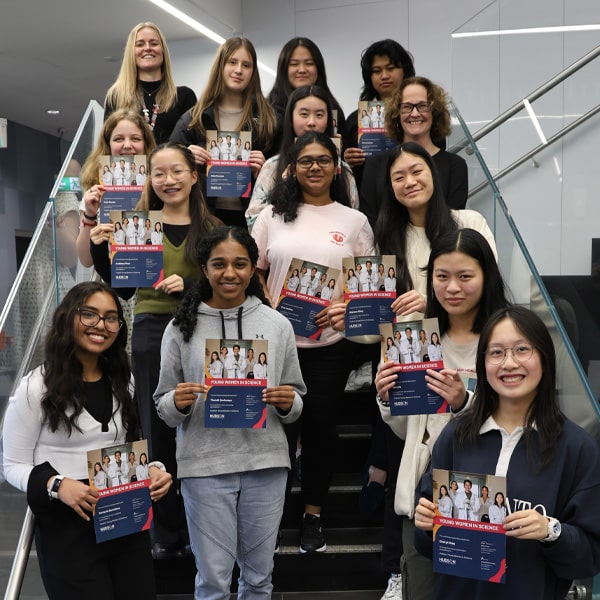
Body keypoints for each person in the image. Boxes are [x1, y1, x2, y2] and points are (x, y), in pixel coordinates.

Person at [154, 225, 305, 598]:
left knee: (258, 579)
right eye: (218, 264)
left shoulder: (278, 325)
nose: (230, 273)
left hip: (266, 465)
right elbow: (162, 404)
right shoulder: (180, 328)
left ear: (254, 268)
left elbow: (298, 399)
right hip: (204, 467)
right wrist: (178, 401)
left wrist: (288, 402)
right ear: (204, 268)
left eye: (240, 264)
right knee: (213, 581)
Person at [89, 142, 221, 559]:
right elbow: (123, 288)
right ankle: (164, 532)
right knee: (156, 429)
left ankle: (203, 526)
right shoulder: (138, 224)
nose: (168, 180)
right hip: (149, 332)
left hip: (201, 330)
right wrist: (99, 246)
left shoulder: (214, 228)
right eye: (159, 173)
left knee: (202, 423)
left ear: (194, 175)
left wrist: (195, 289)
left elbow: (235, 286)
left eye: (177, 172)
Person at [415, 306, 600, 599]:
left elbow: (590, 556)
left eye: (522, 349)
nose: (509, 363)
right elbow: (427, 546)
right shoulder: (456, 436)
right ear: (483, 363)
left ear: (544, 358)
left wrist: (550, 531)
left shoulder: (576, 448)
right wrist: (426, 525)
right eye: (497, 353)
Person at [2, 281, 172, 599]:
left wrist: (154, 470)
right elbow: (10, 465)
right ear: (68, 317)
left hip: (124, 520)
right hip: (68, 527)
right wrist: (56, 484)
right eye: (89, 314)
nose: (100, 325)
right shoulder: (35, 387)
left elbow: (129, 447)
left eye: (110, 318)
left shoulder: (125, 381)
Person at [252, 132, 377, 553]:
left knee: (321, 432)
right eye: (306, 161)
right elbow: (251, 267)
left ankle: (312, 517)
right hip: (276, 347)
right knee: (274, 435)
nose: (315, 167)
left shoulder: (354, 221)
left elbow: (369, 288)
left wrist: (345, 305)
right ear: (291, 168)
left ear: (336, 167)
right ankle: (269, 520)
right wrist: (266, 301)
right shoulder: (271, 215)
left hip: (329, 347)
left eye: (324, 160)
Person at [371, 227, 509, 600]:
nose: (452, 288)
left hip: (489, 494)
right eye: (442, 277)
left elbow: (523, 418)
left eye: (465, 276)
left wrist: (465, 402)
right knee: (423, 588)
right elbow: (408, 430)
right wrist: (387, 398)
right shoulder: (415, 337)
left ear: (486, 276)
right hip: (424, 497)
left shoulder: (506, 340)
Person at [170, 37, 278, 227]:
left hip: (253, 218)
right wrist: (184, 156)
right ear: (221, 66)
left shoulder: (267, 119)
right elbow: (166, 161)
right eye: (232, 62)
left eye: (246, 65)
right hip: (203, 216)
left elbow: (283, 173)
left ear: (253, 72)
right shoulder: (195, 118)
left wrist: (265, 170)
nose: (239, 70)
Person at [246, 85, 359, 231]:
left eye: (319, 115)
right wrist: (285, 189)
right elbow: (253, 221)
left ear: (329, 120)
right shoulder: (272, 166)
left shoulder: (343, 170)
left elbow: (354, 218)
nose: (311, 122)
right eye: (304, 114)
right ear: (291, 119)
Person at [361, 76, 468, 227]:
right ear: (396, 113)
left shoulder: (455, 166)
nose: (415, 113)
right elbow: (369, 223)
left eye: (423, 106)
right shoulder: (375, 165)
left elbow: (453, 220)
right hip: (388, 248)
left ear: (434, 111)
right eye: (407, 107)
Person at [76, 108, 156, 267]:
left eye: (135, 138)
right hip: (111, 281)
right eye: (119, 139)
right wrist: (90, 215)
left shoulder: (160, 185)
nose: (127, 145)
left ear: (145, 144)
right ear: (108, 145)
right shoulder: (96, 191)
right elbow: (86, 261)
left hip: (152, 278)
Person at [104, 22, 197, 144]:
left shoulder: (184, 96)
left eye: (154, 43)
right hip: (132, 163)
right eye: (140, 44)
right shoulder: (116, 96)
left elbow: (194, 143)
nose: (147, 48)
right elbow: (108, 145)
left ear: (162, 50)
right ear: (131, 53)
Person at [343, 39, 415, 192]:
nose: (384, 76)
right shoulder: (355, 120)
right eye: (376, 71)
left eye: (391, 68)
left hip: (412, 190)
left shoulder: (419, 115)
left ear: (405, 71)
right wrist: (348, 160)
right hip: (370, 199)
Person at [267, 37, 346, 137]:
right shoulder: (268, 111)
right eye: (294, 64)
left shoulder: (334, 110)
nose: (302, 70)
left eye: (309, 63)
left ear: (318, 68)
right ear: (283, 69)